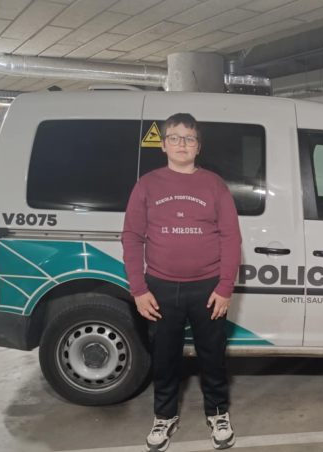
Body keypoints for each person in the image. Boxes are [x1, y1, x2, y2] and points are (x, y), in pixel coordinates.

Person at [122, 113, 242, 451]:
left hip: (208, 288)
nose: (182, 144)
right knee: (164, 357)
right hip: (160, 288)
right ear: (163, 145)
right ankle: (164, 415)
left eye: (189, 138)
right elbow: (132, 237)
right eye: (174, 137)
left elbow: (231, 238)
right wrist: (139, 290)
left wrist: (225, 287)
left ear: (198, 146)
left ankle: (218, 412)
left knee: (213, 356)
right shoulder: (147, 185)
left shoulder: (215, 185)